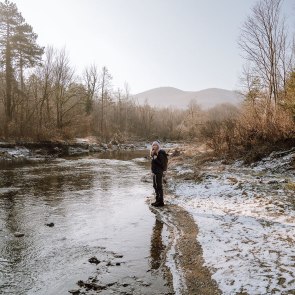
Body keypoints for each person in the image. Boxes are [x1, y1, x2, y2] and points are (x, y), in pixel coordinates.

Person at [150, 141, 165, 207]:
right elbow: (153, 164)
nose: (154, 146)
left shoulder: (160, 153)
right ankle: (157, 200)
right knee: (155, 186)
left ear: (158, 146)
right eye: (153, 145)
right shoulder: (154, 153)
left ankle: (161, 202)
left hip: (158, 172)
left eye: (156, 145)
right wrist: (152, 171)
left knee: (159, 186)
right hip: (154, 172)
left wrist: (155, 158)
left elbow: (162, 164)